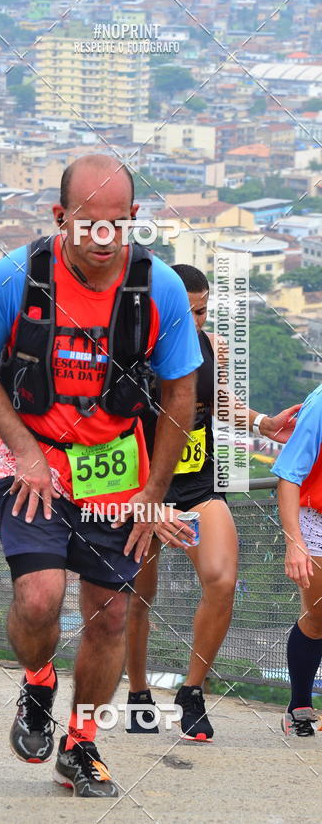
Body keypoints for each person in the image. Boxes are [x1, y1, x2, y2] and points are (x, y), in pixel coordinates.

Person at [0, 154, 203, 798]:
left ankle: (82, 742)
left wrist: (154, 493)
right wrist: (24, 451)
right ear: (61, 218)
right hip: (32, 465)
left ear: (133, 219)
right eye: (89, 223)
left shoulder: (161, 289)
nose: (103, 238)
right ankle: (38, 679)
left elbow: (181, 392)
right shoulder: (18, 277)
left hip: (117, 475)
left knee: (112, 616)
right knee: (38, 599)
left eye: (116, 223)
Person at [125, 264, 299, 741]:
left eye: (202, 311)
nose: (196, 322)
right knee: (138, 595)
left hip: (198, 485)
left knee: (222, 581)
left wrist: (262, 422)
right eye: (187, 312)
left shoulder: (208, 346)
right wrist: (147, 501)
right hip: (139, 491)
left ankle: (191, 692)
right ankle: (138, 694)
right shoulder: (129, 352)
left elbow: (216, 403)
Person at [272, 383, 322, 736]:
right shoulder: (320, 403)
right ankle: (299, 705)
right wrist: (295, 544)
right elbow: (289, 476)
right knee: (318, 616)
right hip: (316, 519)